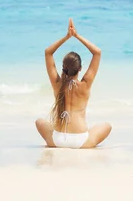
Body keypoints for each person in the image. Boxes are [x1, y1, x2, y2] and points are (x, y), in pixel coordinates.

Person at [35, 18, 112, 149]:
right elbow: (97, 52)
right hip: (81, 141)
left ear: (63, 67)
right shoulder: (85, 84)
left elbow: (48, 52)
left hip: (57, 140)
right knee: (107, 126)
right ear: (80, 68)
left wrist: (66, 37)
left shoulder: (57, 84)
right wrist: (76, 36)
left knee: (39, 121)